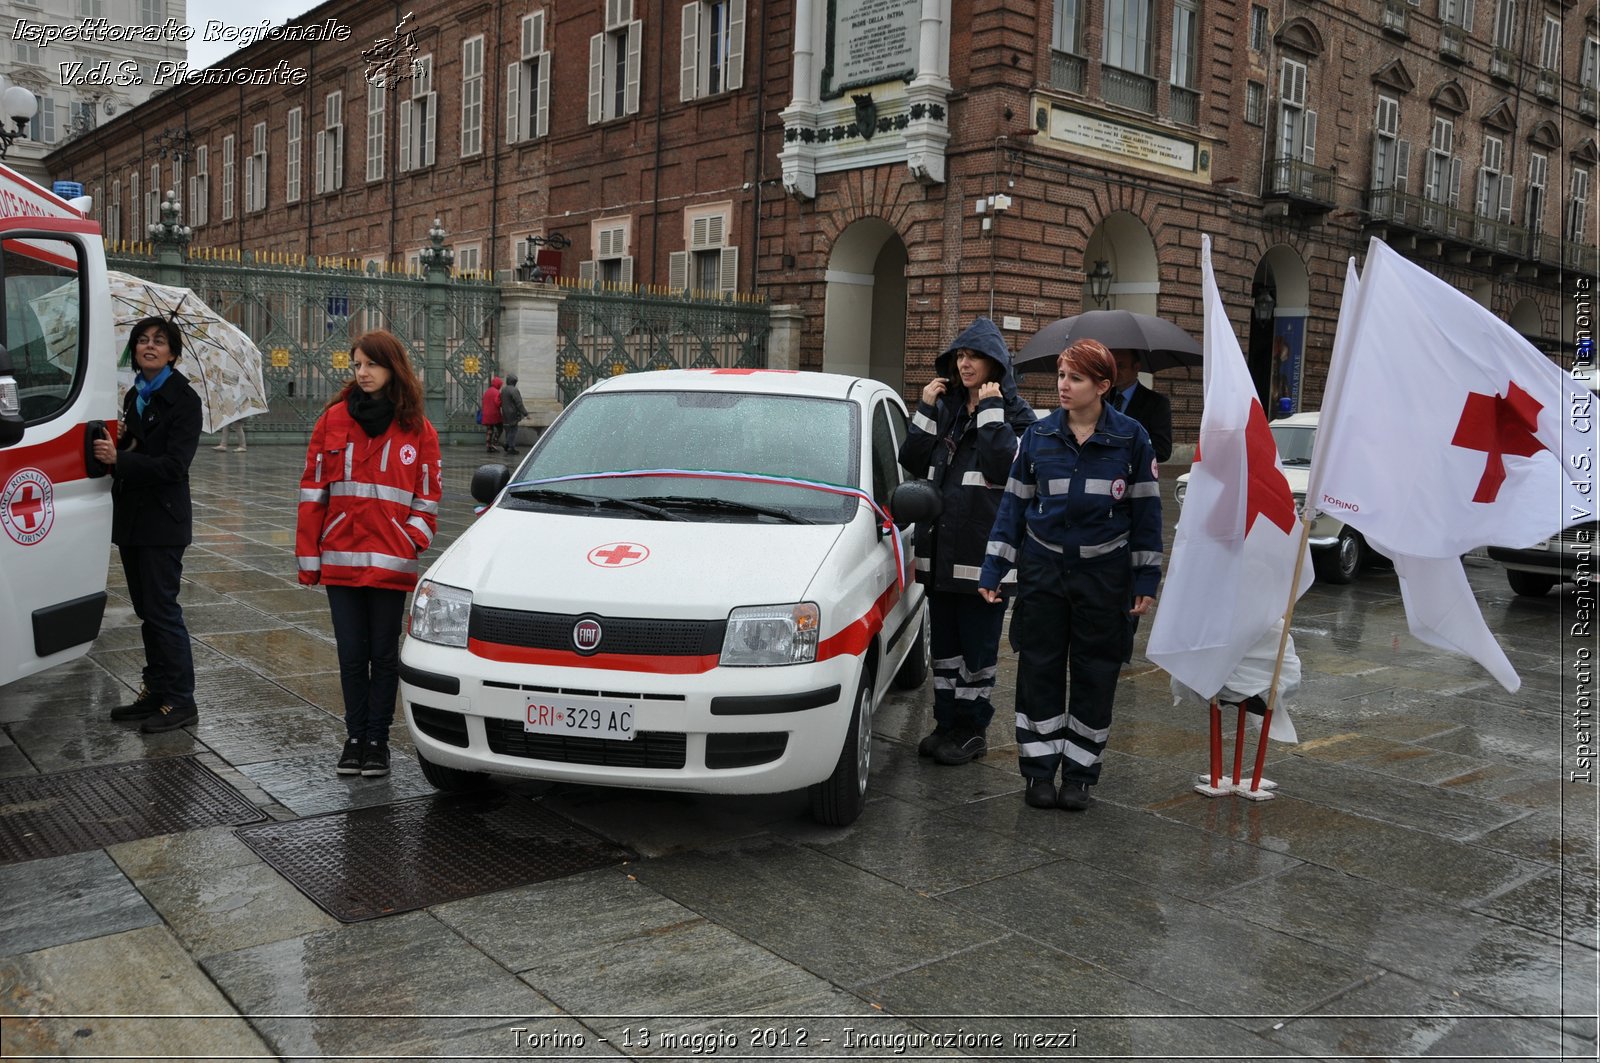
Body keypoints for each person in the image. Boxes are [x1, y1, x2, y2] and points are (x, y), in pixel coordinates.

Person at [979, 338, 1162, 812]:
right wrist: (994, 567)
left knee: (1095, 673)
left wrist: (1145, 582)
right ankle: (1038, 772)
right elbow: (1013, 507)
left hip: (1105, 576)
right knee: (1038, 668)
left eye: (1075, 378)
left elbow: (1146, 515)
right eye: (1061, 375)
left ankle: (1080, 774)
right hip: (1044, 571)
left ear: (1103, 386)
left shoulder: (1132, 439)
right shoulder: (1038, 437)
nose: (1063, 386)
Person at [296, 331, 442, 778]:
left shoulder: (418, 429)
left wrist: (409, 538)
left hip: (390, 564)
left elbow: (428, 497)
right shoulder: (333, 421)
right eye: (357, 364)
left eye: (371, 364)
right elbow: (312, 492)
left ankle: (377, 740)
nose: (362, 373)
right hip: (340, 560)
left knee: (383, 655)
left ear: (392, 368)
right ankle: (354, 736)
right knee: (350, 656)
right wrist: (309, 557)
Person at [899, 317, 1035, 766]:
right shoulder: (948, 409)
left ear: (995, 363)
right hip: (941, 555)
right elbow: (913, 459)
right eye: (959, 355)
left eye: (973, 356)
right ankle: (945, 724)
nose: (964, 363)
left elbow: (1003, 469)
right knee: (945, 652)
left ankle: (972, 729)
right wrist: (924, 406)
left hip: (984, 559)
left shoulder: (1017, 416)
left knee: (977, 654)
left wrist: (992, 412)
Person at [96, 316, 204, 733]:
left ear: (173, 352)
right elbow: (143, 450)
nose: (149, 346)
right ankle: (156, 690)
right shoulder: (134, 396)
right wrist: (125, 439)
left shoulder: (184, 399)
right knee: (146, 611)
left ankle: (181, 700)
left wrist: (120, 459)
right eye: (142, 340)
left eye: (159, 341)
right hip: (133, 518)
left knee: (162, 610)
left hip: (163, 520)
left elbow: (174, 465)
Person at [1107, 348, 1173, 462]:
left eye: (1120, 366)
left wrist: (1119, 449)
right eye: (1112, 366)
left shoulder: (1156, 403)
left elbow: (1162, 451)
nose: (1115, 371)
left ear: (1136, 367)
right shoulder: (1101, 397)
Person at [499, 373, 528, 455]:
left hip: (505, 412)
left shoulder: (504, 390)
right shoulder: (514, 390)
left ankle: (508, 444)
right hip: (513, 413)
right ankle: (510, 446)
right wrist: (525, 413)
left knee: (508, 430)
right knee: (513, 430)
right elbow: (519, 403)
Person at [481, 376, 504, 452]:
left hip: (486, 413)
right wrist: (502, 402)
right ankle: (494, 443)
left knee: (489, 429)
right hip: (494, 414)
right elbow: (498, 403)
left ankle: (488, 445)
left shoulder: (487, 391)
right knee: (500, 428)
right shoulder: (496, 392)